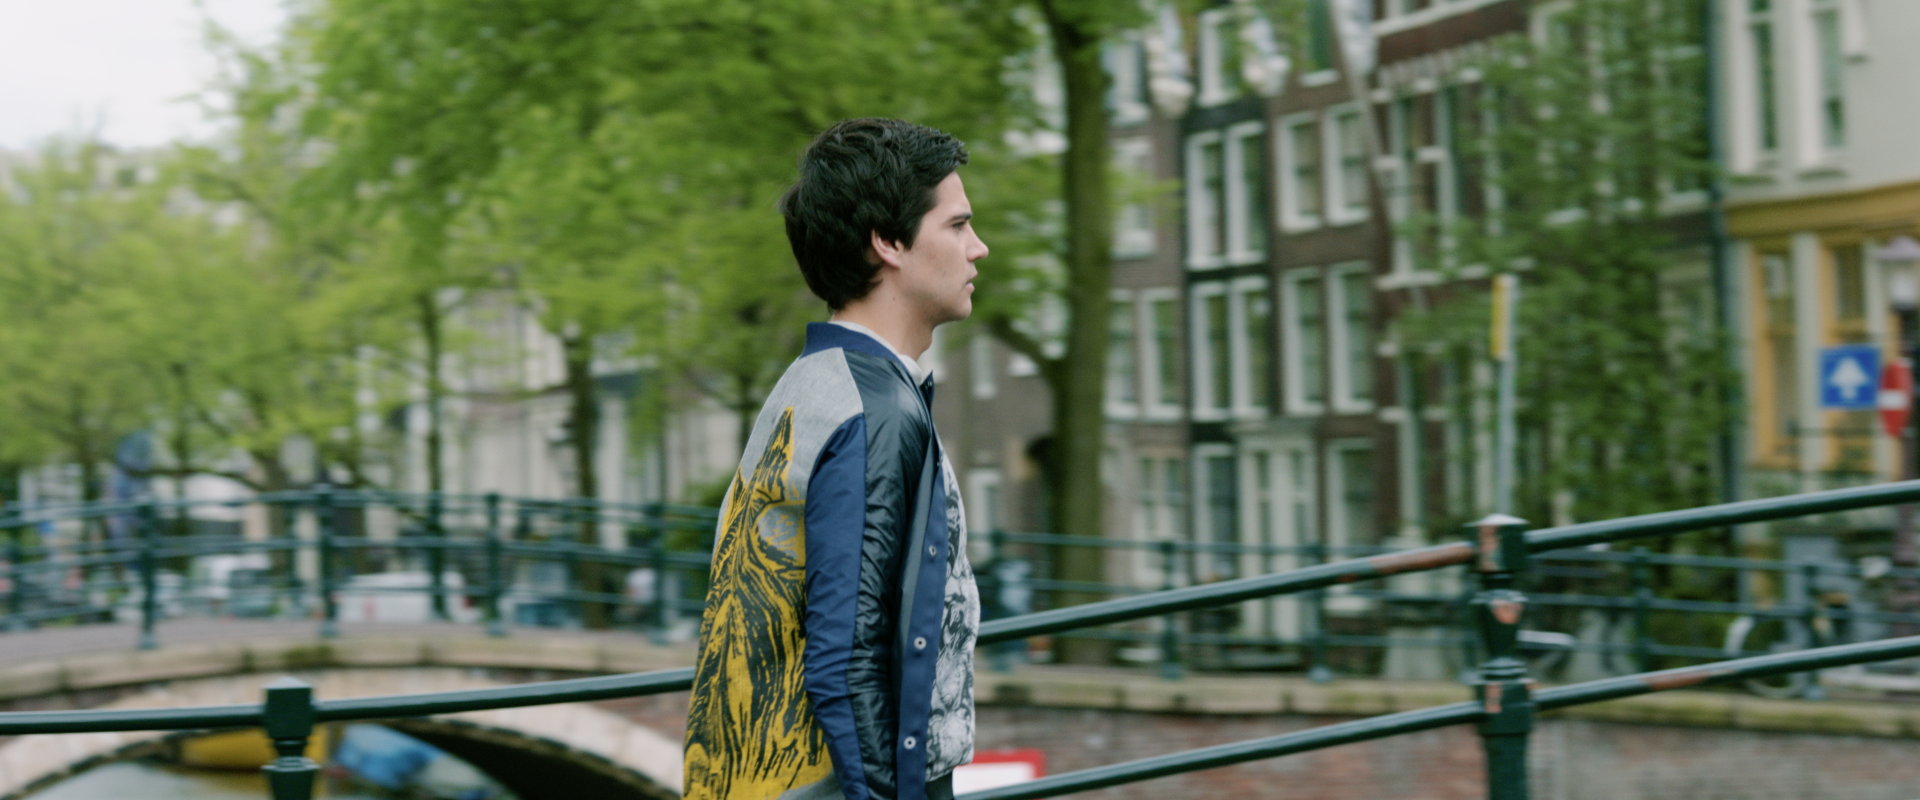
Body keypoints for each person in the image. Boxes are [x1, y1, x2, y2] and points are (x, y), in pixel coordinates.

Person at [682, 118, 987, 800]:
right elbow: (848, 660)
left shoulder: (813, 385)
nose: (978, 247)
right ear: (888, 242)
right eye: (958, 225)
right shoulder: (872, 412)